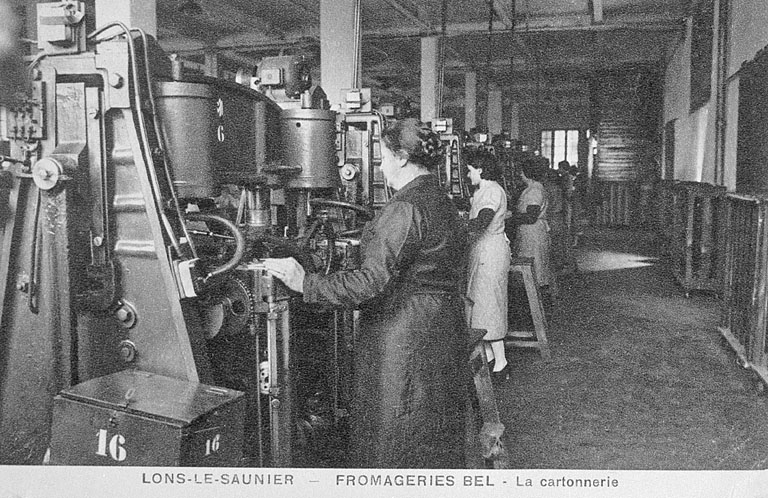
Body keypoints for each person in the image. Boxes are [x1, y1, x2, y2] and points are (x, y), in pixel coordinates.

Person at [263, 118, 468, 469]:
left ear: (401, 158)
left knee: (397, 432)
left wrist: (305, 282)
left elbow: (370, 283)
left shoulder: (405, 207)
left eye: (384, 156)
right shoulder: (439, 198)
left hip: (404, 335)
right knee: (430, 432)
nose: (382, 165)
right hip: (438, 328)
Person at [465, 151, 511, 380]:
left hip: (491, 252)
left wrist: (457, 227)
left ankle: (501, 363)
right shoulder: (483, 190)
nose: (468, 174)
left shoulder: (493, 190)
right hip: (482, 251)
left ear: (480, 170)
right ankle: (490, 359)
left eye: (470, 169)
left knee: (489, 305)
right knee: (482, 305)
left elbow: (483, 219)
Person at [512, 157, 553, 300]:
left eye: (521, 171)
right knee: (535, 270)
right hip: (532, 233)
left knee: (533, 271)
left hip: (533, 234)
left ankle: (535, 308)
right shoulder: (533, 188)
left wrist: (509, 217)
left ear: (527, 172)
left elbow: (531, 217)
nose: (519, 174)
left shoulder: (534, 190)